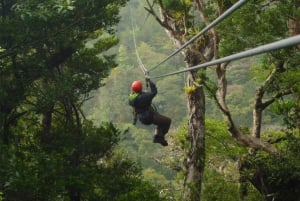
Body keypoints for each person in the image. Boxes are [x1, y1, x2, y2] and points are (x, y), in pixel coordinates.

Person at [128, 78, 171, 146]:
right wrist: (150, 82)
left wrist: (144, 92)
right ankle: (159, 137)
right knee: (167, 121)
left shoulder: (132, 97)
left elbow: (141, 95)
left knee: (161, 122)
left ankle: (158, 136)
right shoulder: (144, 97)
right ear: (141, 88)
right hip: (149, 116)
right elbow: (154, 92)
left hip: (142, 117)